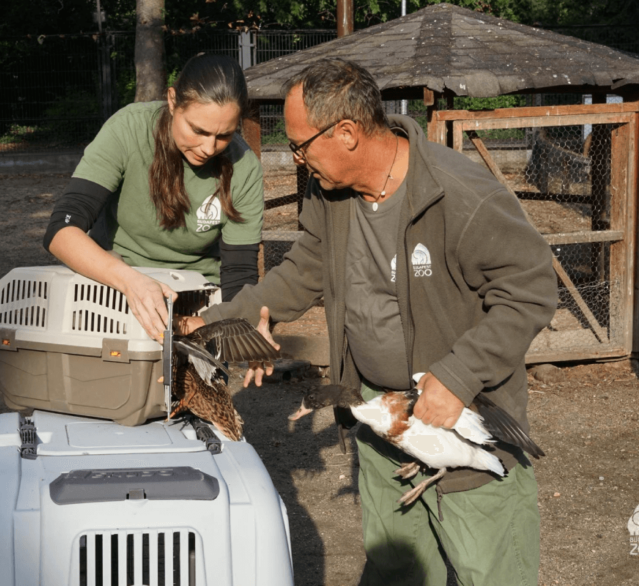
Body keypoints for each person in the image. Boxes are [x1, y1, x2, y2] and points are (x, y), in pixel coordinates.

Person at [183, 59, 558, 585]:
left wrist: (459, 374)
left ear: (347, 133)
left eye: (299, 144)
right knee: (397, 571)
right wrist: (211, 323)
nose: (295, 157)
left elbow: (532, 288)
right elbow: (301, 272)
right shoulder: (329, 195)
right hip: (382, 424)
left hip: (467, 425)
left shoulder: (458, 194)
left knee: (490, 571)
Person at [44, 54, 264, 339]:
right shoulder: (127, 129)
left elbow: (240, 274)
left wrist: (243, 332)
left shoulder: (243, 167)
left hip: (195, 301)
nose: (209, 148)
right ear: (172, 101)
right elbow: (61, 229)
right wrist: (130, 280)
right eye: (198, 130)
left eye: (224, 135)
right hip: (112, 285)